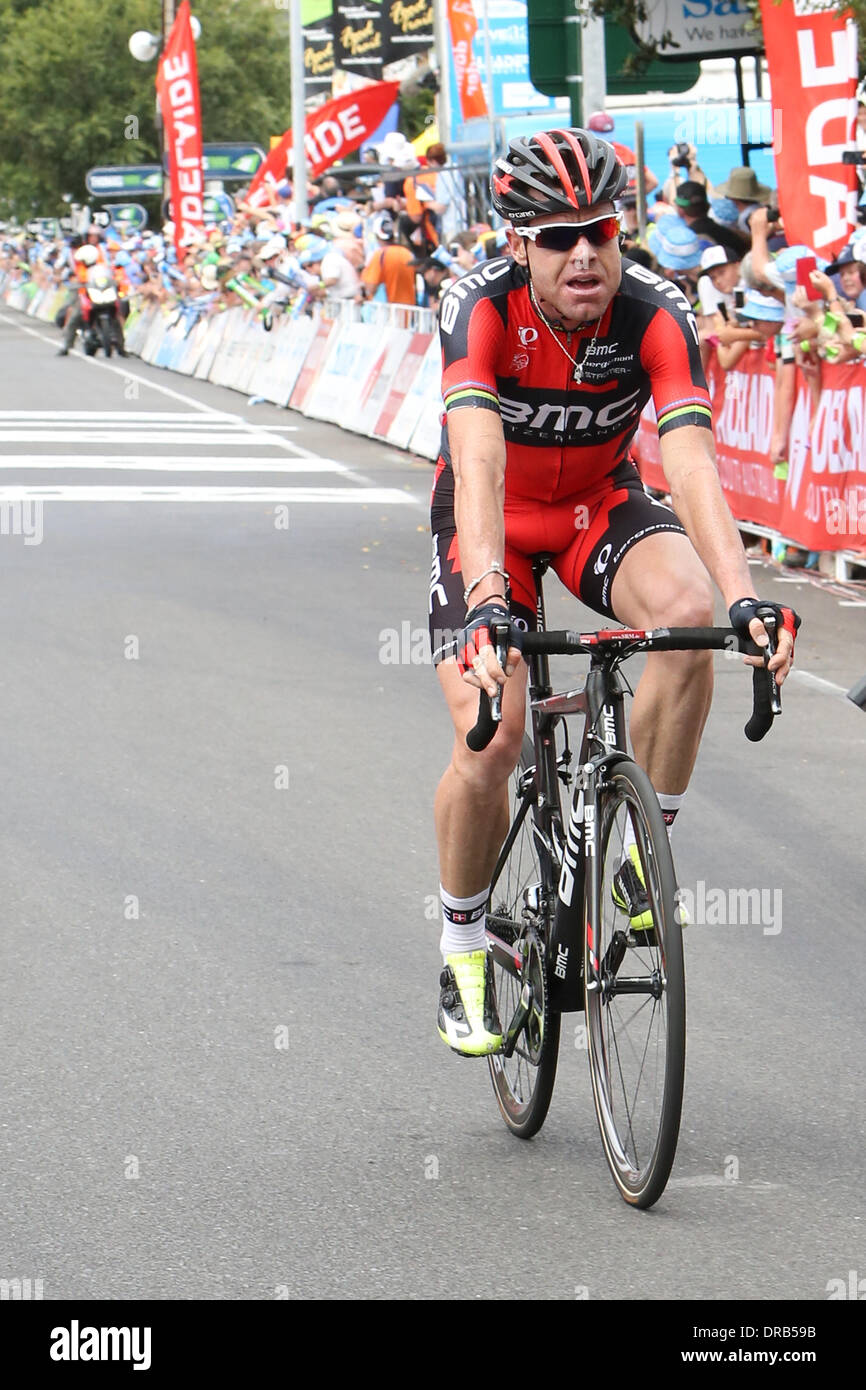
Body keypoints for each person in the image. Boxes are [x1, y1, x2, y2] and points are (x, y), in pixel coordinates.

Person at [428, 127, 799, 1056]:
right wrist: (484, 603)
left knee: (688, 615)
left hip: (598, 505)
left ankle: (636, 855)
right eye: (557, 237)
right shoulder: (478, 307)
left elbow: (692, 464)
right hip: (495, 525)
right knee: (497, 732)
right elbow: (476, 462)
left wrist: (746, 595)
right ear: (519, 242)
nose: (584, 252)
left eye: (599, 229)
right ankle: (463, 941)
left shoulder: (655, 311)